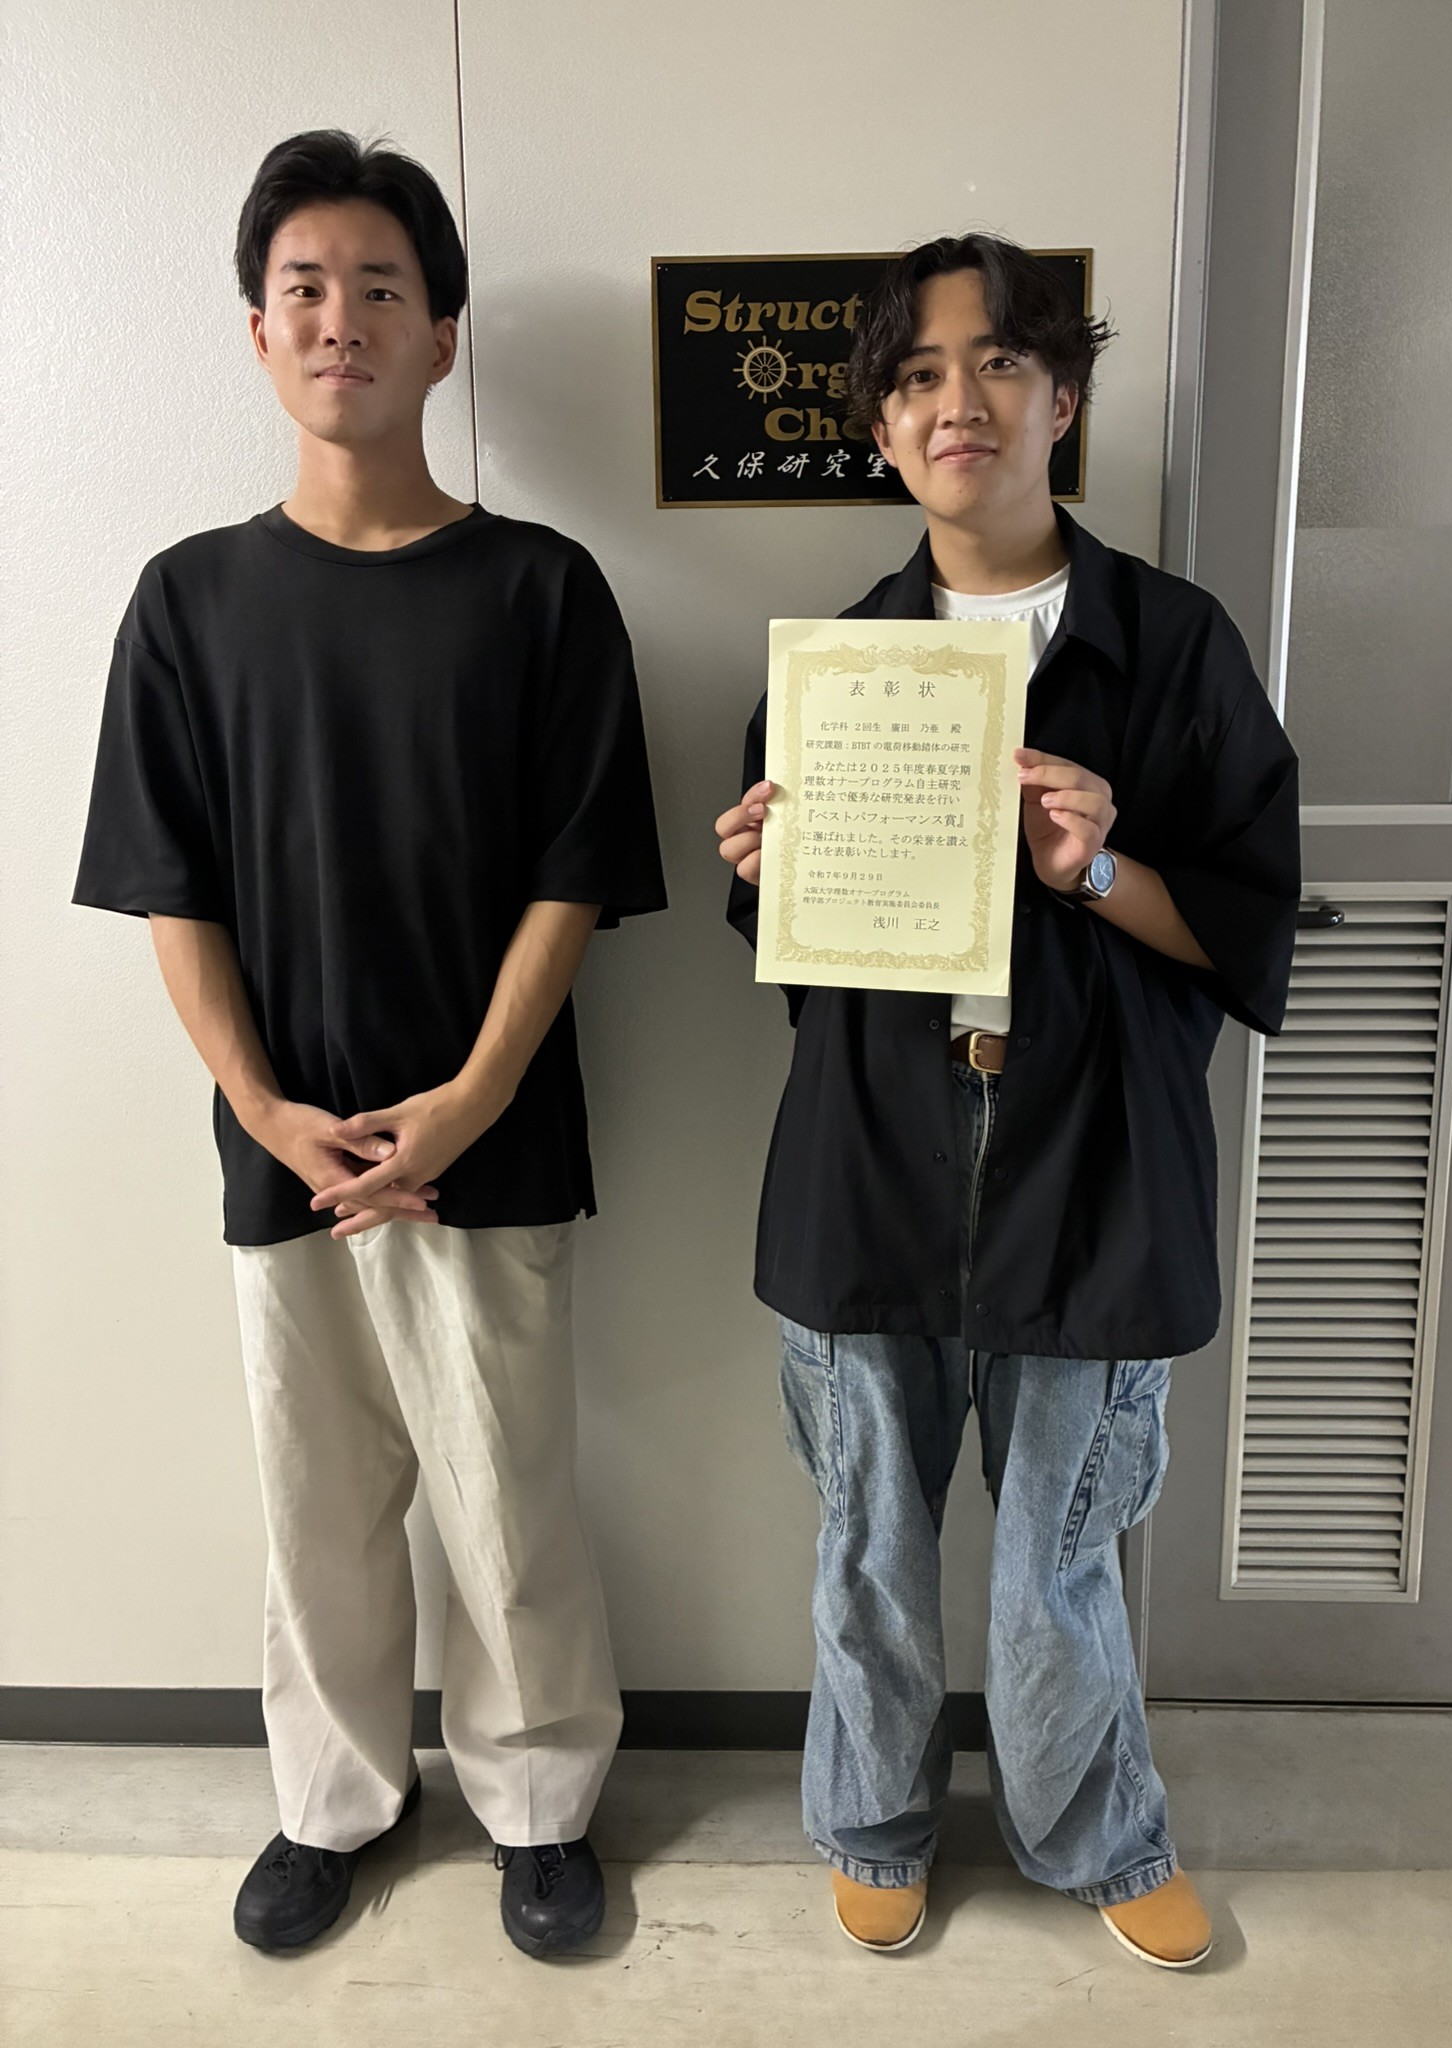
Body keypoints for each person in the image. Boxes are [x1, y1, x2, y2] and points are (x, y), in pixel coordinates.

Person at [73, 130, 665, 1959]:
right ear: (258, 333)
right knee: (315, 1507)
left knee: (508, 1505)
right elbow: (172, 889)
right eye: (307, 288)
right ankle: (334, 1800)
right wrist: (263, 1105)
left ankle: (540, 1805)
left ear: (443, 336)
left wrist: (472, 1099)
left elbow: (578, 875)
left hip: (491, 1134)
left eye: (383, 288)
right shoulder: (188, 600)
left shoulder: (543, 589)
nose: (344, 318)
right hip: (289, 1145)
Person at [715, 234, 1298, 1966]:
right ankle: (875, 1817)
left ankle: (1099, 1835)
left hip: (1093, 1147)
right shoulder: (837, 667)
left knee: (1061, 1545)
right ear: (881, 426)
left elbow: (1246, 927)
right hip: (877, 1146)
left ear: (1064, 398)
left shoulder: (1172, 643)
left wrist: (1098, 865)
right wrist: (766, 871)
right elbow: (802, 966)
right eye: (915, 376)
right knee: (869, 1536)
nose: (953, 401)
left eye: (994, 363)